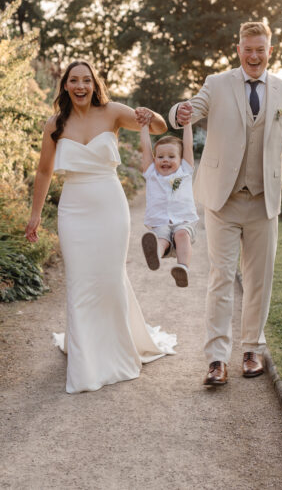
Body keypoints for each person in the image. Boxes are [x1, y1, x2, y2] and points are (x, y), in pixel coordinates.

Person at [169, 22, 282, 387]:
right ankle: (217, 359)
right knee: (220, 278)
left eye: (260, 49)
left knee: (259, 281)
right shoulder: (217, 84)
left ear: (270, 50)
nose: (254, 56)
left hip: (264, 202)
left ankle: (252, 350)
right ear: (238, 49)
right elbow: (191, 108)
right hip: (223, 200)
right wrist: (179, 113)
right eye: (247, 49)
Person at [25, 60, 177, 394]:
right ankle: (86, 364)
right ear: (65, 85)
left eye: (86, 81)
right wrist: (35, 214)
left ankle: (118, 353)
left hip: (110, 206)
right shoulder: (55, 123)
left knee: (109, 280)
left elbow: (159, 128)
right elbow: (44, 171)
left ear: (95, 85)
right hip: (74, 209)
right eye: (74, 80)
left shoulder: (113, 112)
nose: (80, 86)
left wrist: (151, 116)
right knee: (79, 282)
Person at [138, 118, 198, 288]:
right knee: (161, 239)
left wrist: (187, 125)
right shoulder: (151, 173)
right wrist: (144, 127)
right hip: (159, 222)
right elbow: (146, 148)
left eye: (171, 156)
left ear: (181, 159)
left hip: (183, 221)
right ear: (154, 159)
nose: (165, 160)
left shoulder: (184, 171)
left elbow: (188, 145)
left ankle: (182, 268)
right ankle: (155, 255)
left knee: (182, 235)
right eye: (160, 156)